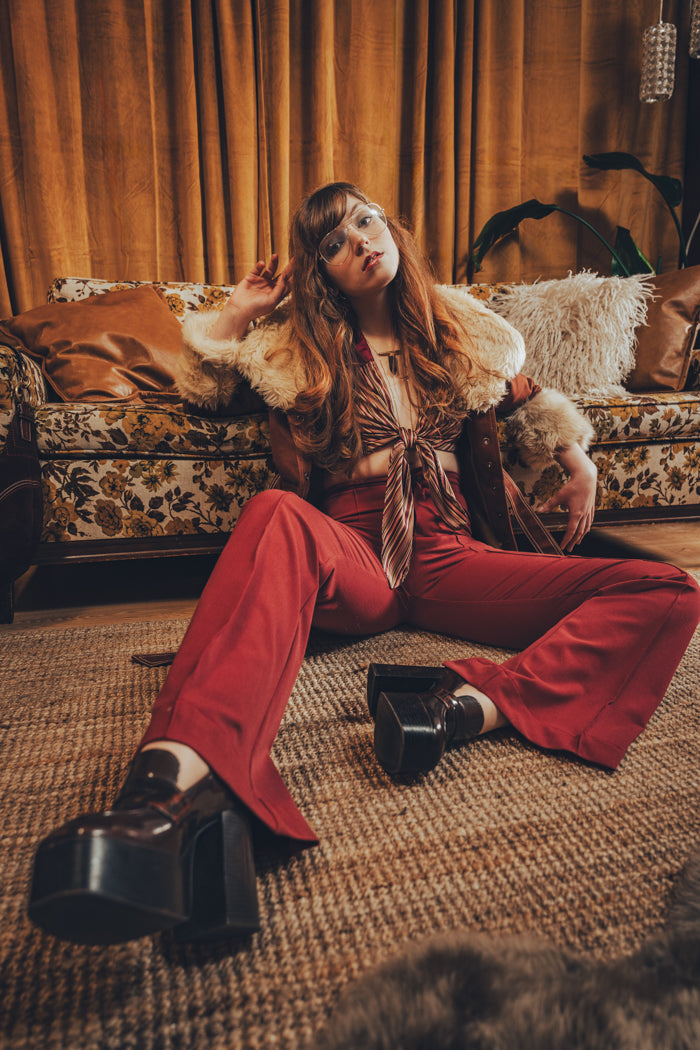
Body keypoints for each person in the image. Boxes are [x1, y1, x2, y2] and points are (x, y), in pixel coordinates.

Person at [28, 183, 700, 946]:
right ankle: (161, 793)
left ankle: (467, 707)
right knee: (275, 513)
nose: (360, 241)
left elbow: (523, 394)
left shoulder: (459, 331)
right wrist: (240, 313)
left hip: (451, 552)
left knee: (668, 589)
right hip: (355, 550)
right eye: (335, 243)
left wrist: (577, 457)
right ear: (324, 271)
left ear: (390, 228)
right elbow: (209, 392)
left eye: (366, 221)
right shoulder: (295, 348)